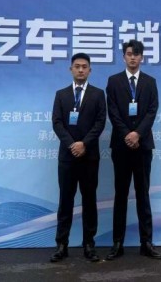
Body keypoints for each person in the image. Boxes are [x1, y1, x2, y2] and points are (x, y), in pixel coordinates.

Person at [105, 39, 161, 260]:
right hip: (121, 146)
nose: (133, 57)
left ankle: (146, 243)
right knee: (120, 194)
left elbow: (152, 111)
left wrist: (138, 134)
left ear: (142, 57)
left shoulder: (150, 82)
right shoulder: (114, 81)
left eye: (137, 54)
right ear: (124, 57)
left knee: (143, 194)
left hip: (143, 146)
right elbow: (113, 112)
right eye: (129, 54)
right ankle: (117, 243)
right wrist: (127, 134)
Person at [50, 53, 106, 263]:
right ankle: (61, 245)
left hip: (89, 156)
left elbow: (100, 122)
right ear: (71, 69)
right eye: (77, 66)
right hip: (67, 156)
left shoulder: (98, 94)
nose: (80, 70)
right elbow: (57, 122)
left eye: (84, 66)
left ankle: (89, 244)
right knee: (65, 200)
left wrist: (84, 144)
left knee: (89, 201)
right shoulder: (61, 95)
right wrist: (71, 144)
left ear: (90, 70)